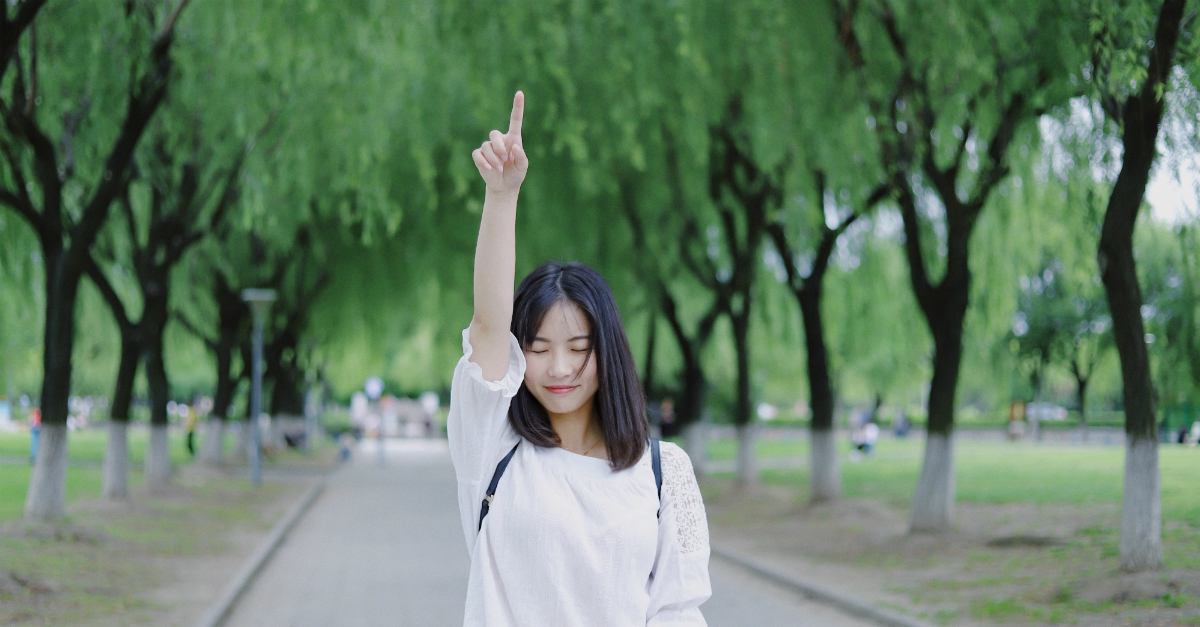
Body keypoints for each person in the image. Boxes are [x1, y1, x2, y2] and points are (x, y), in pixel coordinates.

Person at [448, 92, 711, 627]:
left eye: (579, 349)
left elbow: (677, 611)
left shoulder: (665, 472)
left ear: (607, 351)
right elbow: (490, 326)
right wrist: (502, 198)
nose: (560, 369)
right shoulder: (493, 448)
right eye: (539, 350)